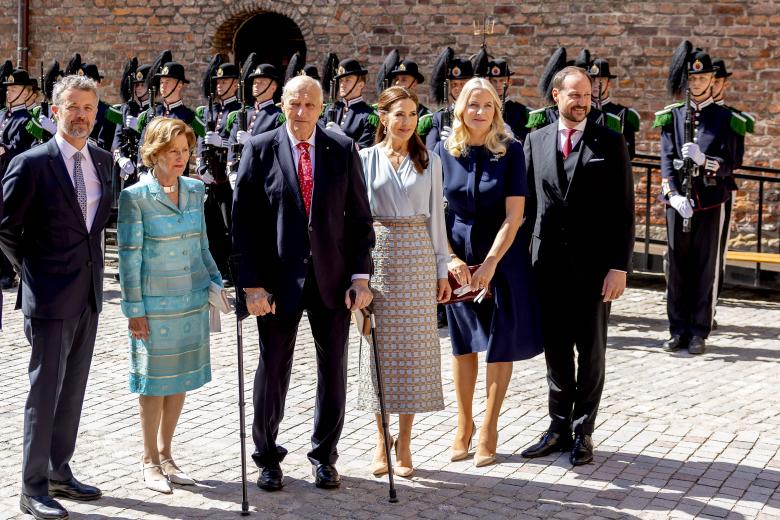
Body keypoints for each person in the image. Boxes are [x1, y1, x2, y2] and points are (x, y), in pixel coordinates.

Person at [232, 75, 375, 492]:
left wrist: (360, 277)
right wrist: (252, 284)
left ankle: (325, 456)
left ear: (322, 107)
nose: (301, 112)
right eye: (294, 103)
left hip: (332, 281)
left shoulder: (341, 149)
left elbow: (360, 220)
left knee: (334, 371)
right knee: (273, 369)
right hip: (277, 283)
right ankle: (267, 457)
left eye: (310, 105)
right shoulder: (260, 149)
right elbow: (244, 222)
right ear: (281, 103)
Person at [0, 74, 112, 520]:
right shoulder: (32, 163)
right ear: (55, 110)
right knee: (44, 391)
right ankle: (32, 487)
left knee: (73, 390)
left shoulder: (105, 162)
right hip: (47, 297)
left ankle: (59, 471)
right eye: (73, 107)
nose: (81, 115)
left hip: (88, 295)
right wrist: (32, 272)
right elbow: (6, 228)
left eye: (88, 107)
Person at [521, 66, 634, 466]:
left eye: (587, 95)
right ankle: (557, 428)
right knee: (555, 351)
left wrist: (618, 267)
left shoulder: (611, 141)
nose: (582, 101)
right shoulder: (533, 141)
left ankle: (583, 430)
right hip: (547, 266)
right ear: (556, 96)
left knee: (591, 351)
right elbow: (527, 208)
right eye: (574, 95)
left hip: (594, 269)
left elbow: (624, 210)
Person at [434, 77, 543, 467]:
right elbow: (435, 213)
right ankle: (463, 425)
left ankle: (490, 427)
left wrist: (492, 263)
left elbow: (515, 216)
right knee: (463, 345)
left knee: (500, 343)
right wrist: (448, 257)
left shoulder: (511, 151)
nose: (480, 112)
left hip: (503, 257)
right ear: (460, 108)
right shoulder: (443, 150)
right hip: (459, 257)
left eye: (487, 105)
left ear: (497, 110)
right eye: (472, 104)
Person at [117, 117, 224, 494]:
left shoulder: (195, 190)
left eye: (185, 151)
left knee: (179, 378)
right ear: (155, 153)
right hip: (154, 307)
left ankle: (167, 455)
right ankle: (148, 460)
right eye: (173, 151)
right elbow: (128, 259)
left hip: (190, 301)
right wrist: (134, 310)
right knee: (153, 383)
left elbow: (202, 244)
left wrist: (216, 284)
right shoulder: (135, 197)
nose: (181, 158)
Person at [357, 86, 451, 478]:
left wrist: (442, 270)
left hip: (416, 257)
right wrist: (356, 274)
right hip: (377, 256)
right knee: (377, 348)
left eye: (413, 114)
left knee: (412, 353)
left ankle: (406, 441)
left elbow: (437, 218)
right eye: (399, 114)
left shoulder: (430, 160)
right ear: (384, 117)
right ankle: (382, 439)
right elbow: (356, 220)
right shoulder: (364, 159)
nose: (407, 121)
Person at [654, 49, 741, 355]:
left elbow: (732, 162)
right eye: (693, 77)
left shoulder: (726, 118)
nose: (698, 82)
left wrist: (707, 161)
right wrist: (673, 195)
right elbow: (666, 159)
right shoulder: (673, 116)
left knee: (704, 267)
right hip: (679, 202)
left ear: (711, 80)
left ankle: (698, 331)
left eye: (703, 77)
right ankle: (676, 329)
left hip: (710, 200)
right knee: (677, 265)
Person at [1, 68, 38, 290]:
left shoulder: (28, 120)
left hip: (11, 179)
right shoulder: (1, 115)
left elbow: (28, 152)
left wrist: (5, 150)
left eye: (14, 88)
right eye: (8, 88)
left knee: (7, 225)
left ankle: (9, 272)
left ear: (26, 93)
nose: (9, 92)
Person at [588, 58, 641, 158]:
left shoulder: (624, 114)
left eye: (601, 80)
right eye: (592, 80)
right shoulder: (581, 111)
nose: (596, 85)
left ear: (609, 84)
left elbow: (629, 153)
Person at [322, 58, 377, 148]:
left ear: (360, 85)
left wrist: (342, 137)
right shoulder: (329, 109)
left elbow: (364, 151)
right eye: (341, 80)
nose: (342, 84)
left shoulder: (369, 115)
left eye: (348, 80)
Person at [425, 57, 473, 149]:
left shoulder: (479, 114)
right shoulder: (439, 117)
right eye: (454, 84)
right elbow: (430, 151)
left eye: (462, 84)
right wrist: (443, 145)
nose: (458, 88)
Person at [486, 58, 532, 142]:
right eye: (494, 81)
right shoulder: (484, 107)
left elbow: (523, 141)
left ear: (509, 81)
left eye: (501, 80)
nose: (498, 85)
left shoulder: (520, 111)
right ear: (489, 82)